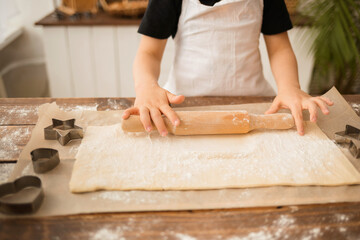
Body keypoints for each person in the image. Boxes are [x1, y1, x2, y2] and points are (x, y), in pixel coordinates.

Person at [122, 0, 333, 136]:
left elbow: (279, 49)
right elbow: (149, 53)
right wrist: (146, 87)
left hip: (255, 104)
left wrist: (290, 87)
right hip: (182, 108)